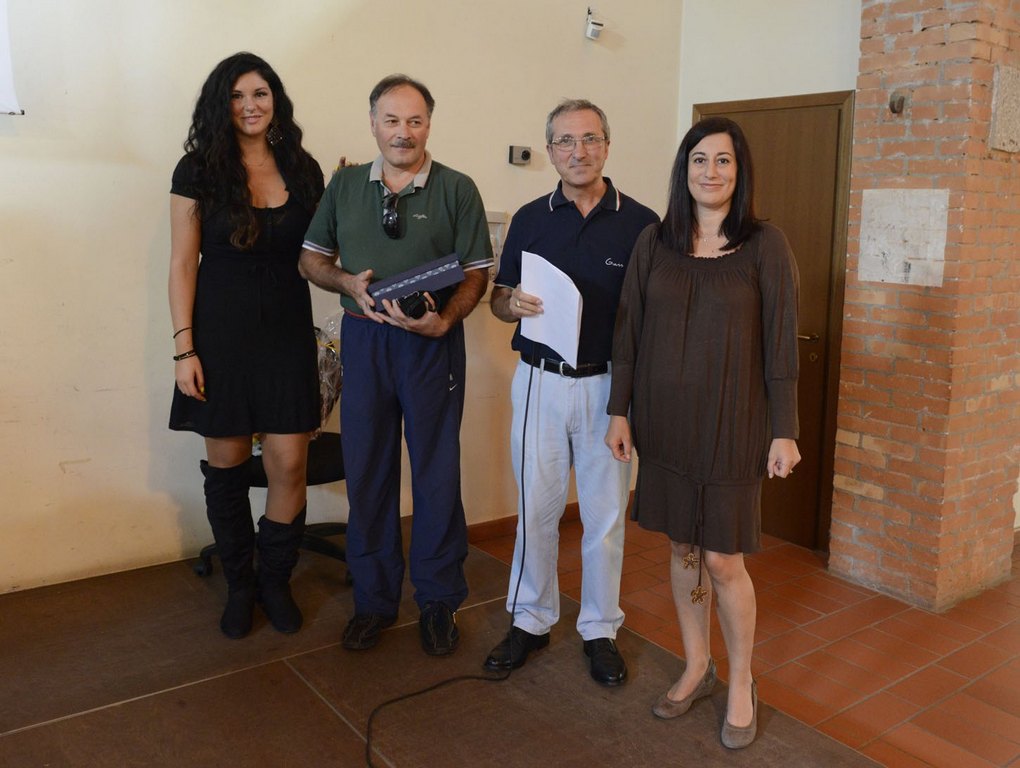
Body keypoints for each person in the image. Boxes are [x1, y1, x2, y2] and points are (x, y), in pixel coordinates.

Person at [605, 116, 801, 748]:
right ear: (683, 169)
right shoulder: (654, 242)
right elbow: (628, 331)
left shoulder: (765, 245)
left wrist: (784, 430)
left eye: (722, 160)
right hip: (665, 425)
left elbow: (780, 345)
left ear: (739, 172)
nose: (709, 171)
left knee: (721, 557)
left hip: (734, 426)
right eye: (699, 159)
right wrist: (618, 410)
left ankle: (741, 679)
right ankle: (697, 664)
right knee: (683, 548)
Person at [298, 74, 493, 656]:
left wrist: (445, 320)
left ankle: (438, 601)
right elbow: (311, 260)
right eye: (391, 120)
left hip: (431, 345)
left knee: (437, 474)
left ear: (429, 124)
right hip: (364, 342)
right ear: (373, 123)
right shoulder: (344, 185)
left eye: (414, 120)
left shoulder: (457, 188)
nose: (402, 132)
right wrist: (347, 283)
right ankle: (374, 602)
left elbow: (476, 273)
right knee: (368, 473)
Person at [484, 100, 659, 686]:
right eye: (565, 141)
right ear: (550, 150)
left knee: (605, 517)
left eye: (589, 139)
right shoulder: (531, 218)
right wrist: (511, 303)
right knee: (536, 509)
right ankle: (530, 620)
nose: (578, 152)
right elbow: (498, 298)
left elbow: (654, 315)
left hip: (609, 387)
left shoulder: (643, 224)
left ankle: (600, 629)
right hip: (540, 381)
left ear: (607, 145)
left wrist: (631, 400)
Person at [168, 52, 325, 639]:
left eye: (259, 93)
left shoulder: (303, 168)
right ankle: (239, 584)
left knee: (289, 463)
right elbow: (182, 263)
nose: (249, 105)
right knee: (227, 465)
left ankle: (275, 581)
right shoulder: (198, 170)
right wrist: (185, 350)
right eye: (236, 96)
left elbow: (321, 252)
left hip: (287, 335)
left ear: (275, 100)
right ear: (221, 105)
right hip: (220, 339)